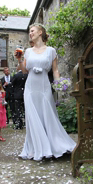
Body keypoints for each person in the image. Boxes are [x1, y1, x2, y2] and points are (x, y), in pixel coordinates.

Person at [17, 23, 76, 160]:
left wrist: (59, 83)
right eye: (29, 31)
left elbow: (55, 70)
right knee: (32, 117)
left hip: (44, 86)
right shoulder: (28, 52)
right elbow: (24, 70)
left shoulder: (51, 51)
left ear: (40, 32)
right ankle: (35, 148)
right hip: (30, 87)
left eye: (32, 31)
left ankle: (53, 145)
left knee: (47, 114)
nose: (30, 33)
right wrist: (20, 61)